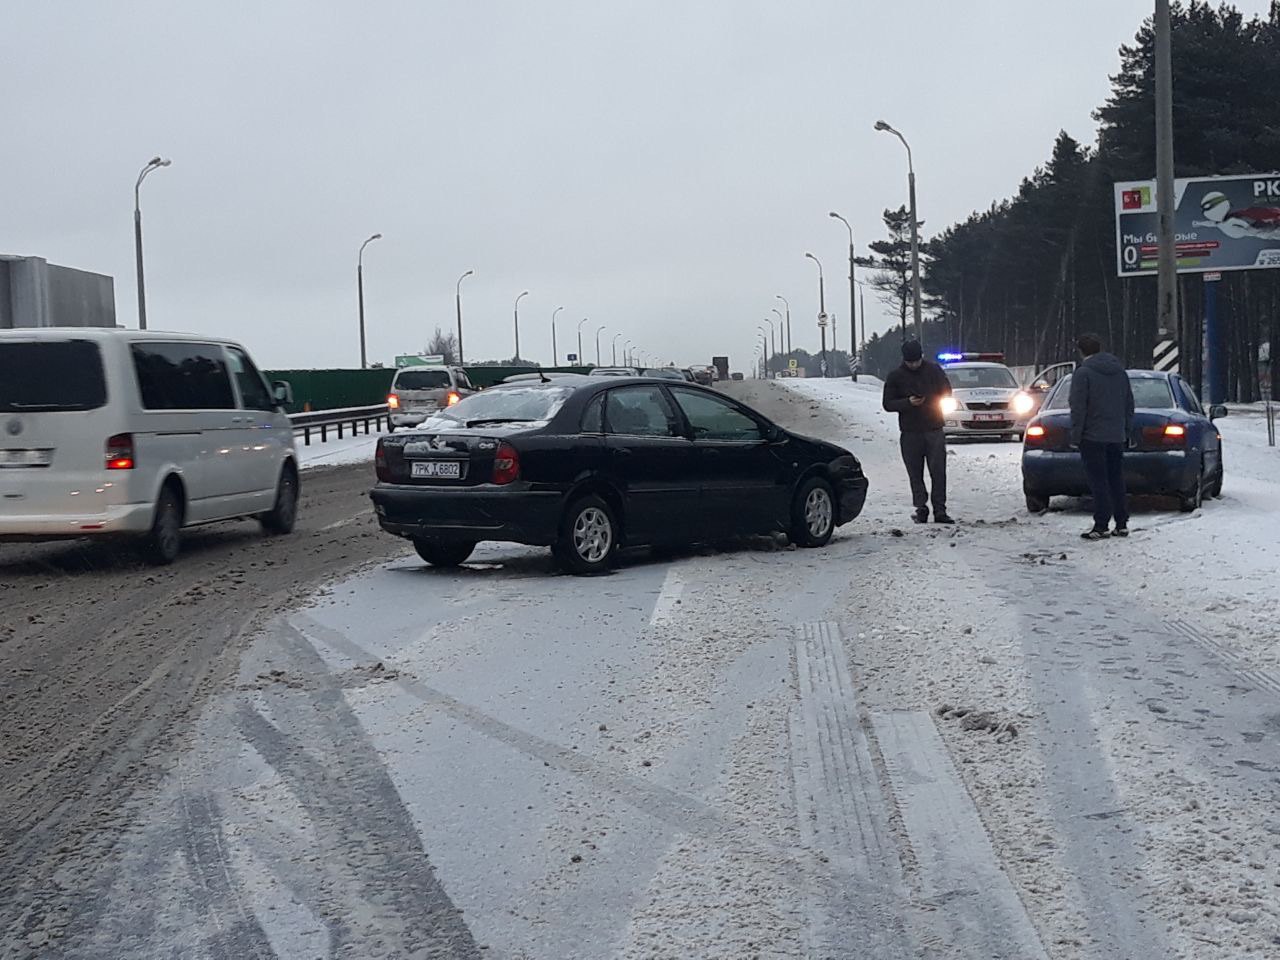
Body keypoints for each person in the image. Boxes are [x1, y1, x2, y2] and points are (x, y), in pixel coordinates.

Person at [1068, 333, 1135, 540]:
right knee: (1116, 478)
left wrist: (1075, 435)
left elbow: (1078, 407)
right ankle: (1122, 523)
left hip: (1092, 435)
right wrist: (1126, 431)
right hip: (1116, 435)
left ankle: (1101, 524)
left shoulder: (1083, 373)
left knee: (1098, 481)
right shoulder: (1119, 372)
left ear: (1081, 351)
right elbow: (1128, 404)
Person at [882, 340, 954, 524]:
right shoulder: (895, 376)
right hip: (910, 432)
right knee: (915, 473)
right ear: (904, 359)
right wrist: (907, 403)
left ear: (922, 356)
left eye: (916, 361)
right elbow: (887, 403)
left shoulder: (934, 371)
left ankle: (940, 510)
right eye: (910, 362)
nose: (914, 365)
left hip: (934, 428)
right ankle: (921, 508)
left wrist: (931, 399)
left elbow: (947, 391)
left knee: (938, 472)